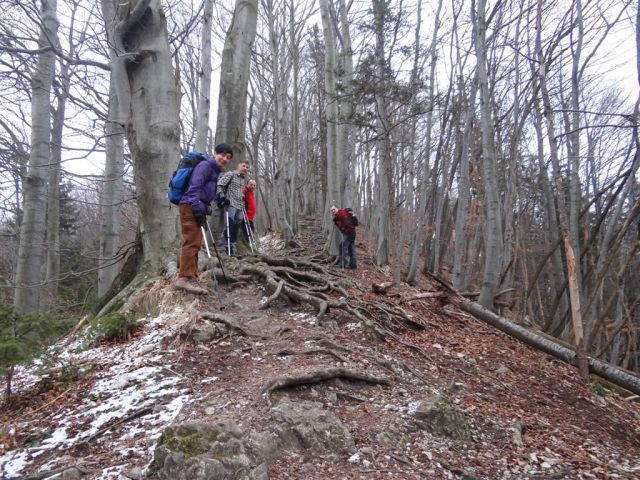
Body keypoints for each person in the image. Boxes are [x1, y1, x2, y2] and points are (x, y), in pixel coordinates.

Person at [175, 143, 233, 294]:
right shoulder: (205, 166)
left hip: (197, 207)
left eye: (228, 157)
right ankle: (183, 279)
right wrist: (197, 209)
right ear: (215, 153)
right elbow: (194, 188)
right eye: (222, 155)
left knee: (196, 242)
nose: (225, 159)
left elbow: (206, 193)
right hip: (190, 206)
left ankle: (191, 276)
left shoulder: (215, 171)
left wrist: (205, 208)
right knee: (192, 242)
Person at [216, 161, 250, 256]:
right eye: (243, 166)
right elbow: (220, 185)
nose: (245, 168)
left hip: (240, 206)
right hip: (230, 204)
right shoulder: (230, 174)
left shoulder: (243, 179)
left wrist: (243, 201)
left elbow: (240, 192)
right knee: (228, 225)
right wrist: (222, 196)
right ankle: (223, 246)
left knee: (236, 227)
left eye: (247, 167)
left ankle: (232, 246)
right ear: (238, 166)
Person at [242, 179, 257, 244]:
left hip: (250, 217)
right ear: (247, 184)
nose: (253, 186)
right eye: (251, 185)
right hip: (245, 217)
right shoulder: (245, 190)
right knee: (247, 234)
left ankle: (249, 244)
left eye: (254, 185)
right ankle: (248, 245)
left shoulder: (251, 192)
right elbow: (242, 196)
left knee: (251, 231)